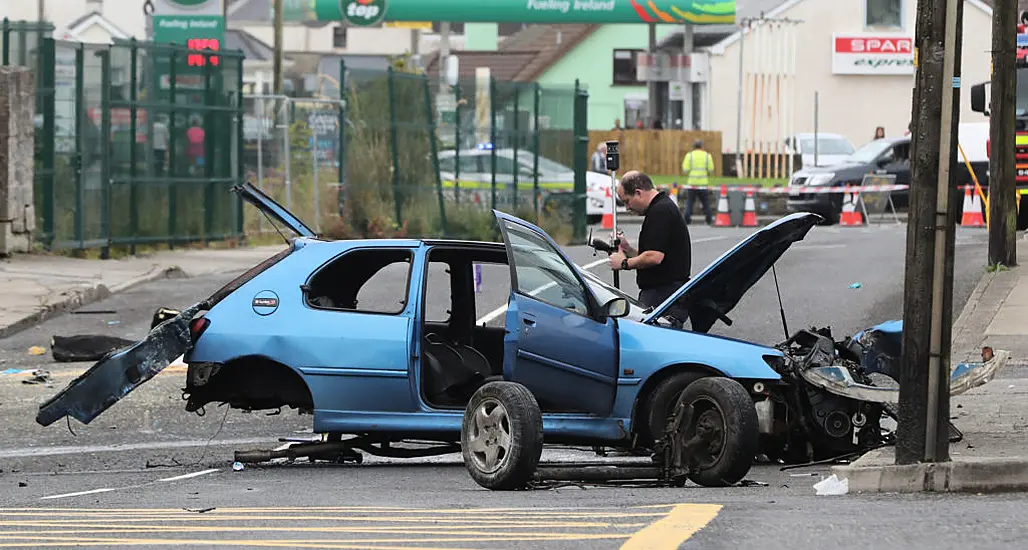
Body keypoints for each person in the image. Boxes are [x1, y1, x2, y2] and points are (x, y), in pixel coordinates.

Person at [608, 171, 692, 325]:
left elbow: (654, 257)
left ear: (638, 193)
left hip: (663, 295)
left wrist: (624, 264)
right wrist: (627, 249)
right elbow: (653, 253)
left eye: (627, 201)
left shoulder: (660, 211)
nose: (627, 208)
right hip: (666, 293)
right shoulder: (661, 207)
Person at [681, 139, 715, 225]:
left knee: (690, 202)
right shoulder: (707, 156)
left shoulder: (689, 156)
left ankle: (687, 220)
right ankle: (709, 220)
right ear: (702, 146)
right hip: (703, 183)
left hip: (692, 183)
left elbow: (685, 169)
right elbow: (711, 170)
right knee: (706, 203)